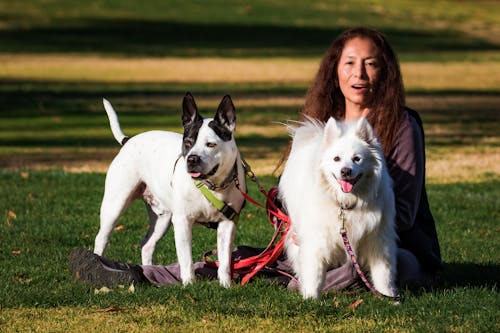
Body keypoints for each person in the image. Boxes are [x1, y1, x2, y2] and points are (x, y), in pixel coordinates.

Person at [69, 27, 441, 293]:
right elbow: (292, 194)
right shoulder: (319, 126)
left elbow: (404, 213)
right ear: (335, 70)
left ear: (385, 71)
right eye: (349, 64)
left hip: (393, 246)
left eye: (371, 64)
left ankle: (302, 282)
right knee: (248, 259)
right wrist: (289, 209)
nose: (359, 74)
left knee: (363, 270)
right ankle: (136, 273)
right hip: (319, 239)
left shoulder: (402, 126)